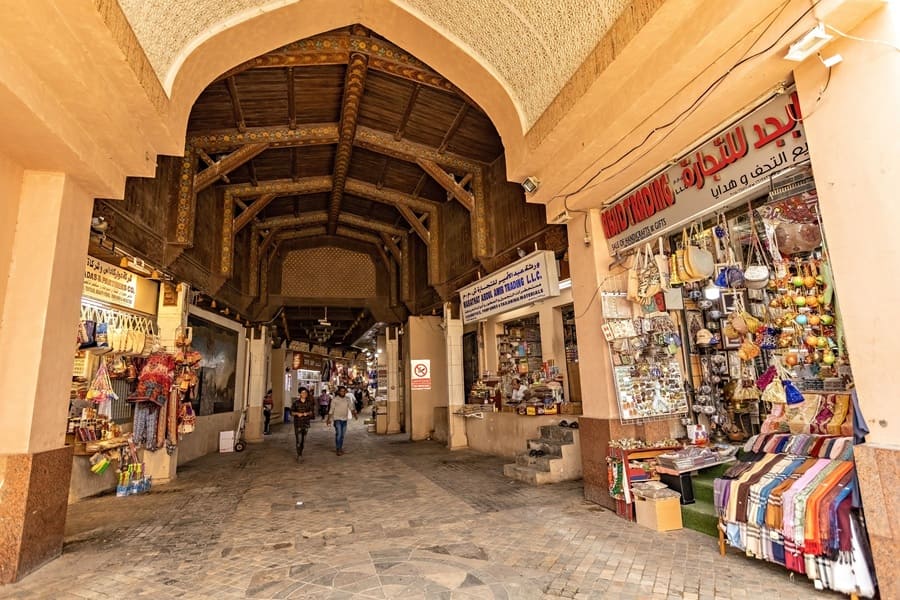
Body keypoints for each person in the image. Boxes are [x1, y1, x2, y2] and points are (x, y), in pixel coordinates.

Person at [326, 385, 357, 456]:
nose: (343, 392)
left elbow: (351, 407)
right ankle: (338, 449)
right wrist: (328, 419)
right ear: (339, 392)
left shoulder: (347, 399)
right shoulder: (335, 399)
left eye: (344, 391)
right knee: (339, 434)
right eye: (341, 391)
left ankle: (340, 447)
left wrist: (355, 414)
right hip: (337, 419)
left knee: (342, 435)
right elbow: (331, 410)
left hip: (344, 419)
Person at [291, 386, 315, 462]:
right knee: (299, 440)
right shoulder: (296, 403)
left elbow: (311, 412)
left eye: (305, 393)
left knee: (303, 441)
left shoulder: (309, 403)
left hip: (306, 423)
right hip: (298, 423)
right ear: (300, 394)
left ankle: (300, 452)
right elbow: (291, 412)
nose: (304, 394)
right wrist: (297, 413)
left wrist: (306, 413)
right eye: (303, 393)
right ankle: (299, 455)